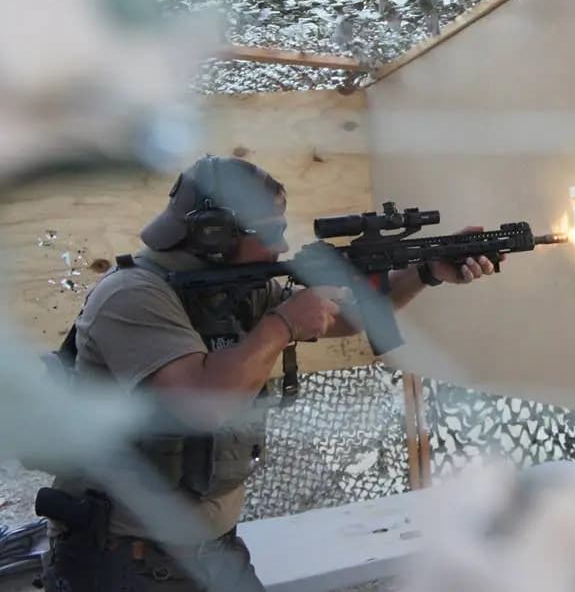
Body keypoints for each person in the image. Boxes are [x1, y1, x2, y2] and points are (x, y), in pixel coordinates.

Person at [36, 155, 502, 591]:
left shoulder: (235, 289)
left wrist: (424, 272)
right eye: (269, 230)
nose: (281, 245)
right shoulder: (132, 295)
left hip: (211, 552)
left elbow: (342, 318)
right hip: (126, 562)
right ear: (214, 235)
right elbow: (201, 405)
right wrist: (282, 324)